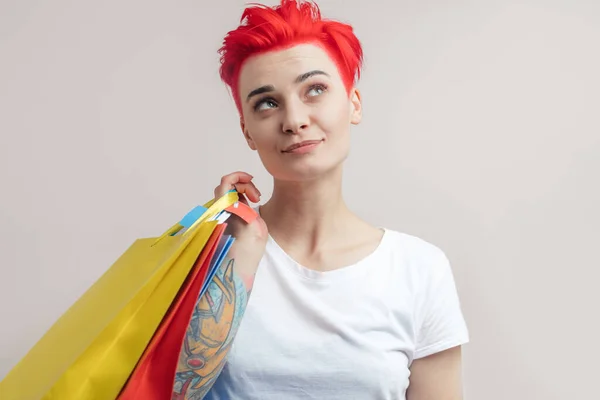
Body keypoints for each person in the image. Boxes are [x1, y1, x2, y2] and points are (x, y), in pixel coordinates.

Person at [173, 1, 470, 399]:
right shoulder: (206, 254)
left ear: (354, 104)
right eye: (267, 102)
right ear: (247, 131)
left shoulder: (419, 269)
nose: (293, 120)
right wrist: (240, 255)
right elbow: (171, 393)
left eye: (314, 90)